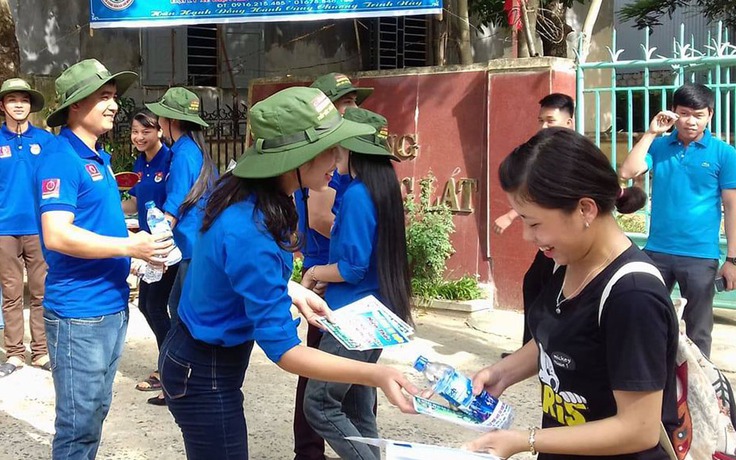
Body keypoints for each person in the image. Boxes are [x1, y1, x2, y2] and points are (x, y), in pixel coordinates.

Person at [158, 87, 417, 460]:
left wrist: (292, 289)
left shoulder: (253, 197)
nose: (337, 158)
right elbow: (285, 352)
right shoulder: (251, 229)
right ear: (297, 157)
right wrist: (377, 374)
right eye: (329, 148)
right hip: (203, 370)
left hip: (204, 359)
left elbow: (234, 272)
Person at [464, 127, 678, 459]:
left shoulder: (633, 296)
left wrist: (525, 440)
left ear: (585, 210)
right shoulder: (566, 260)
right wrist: (502, 373)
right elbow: (561, 338)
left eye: (534, 224)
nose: (526, 236)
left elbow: (639, 428)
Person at [36, 59, 173, 460]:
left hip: (109, 306)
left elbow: (95, 224)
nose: (114, 106)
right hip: (80, 313)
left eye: (113, 97)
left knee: (94, 412)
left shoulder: (97, 158)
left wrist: (132, 247)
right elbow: (57, 234)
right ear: (76, 105)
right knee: (78, 425)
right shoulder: (62, 158)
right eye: (104, 97)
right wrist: (130, 248)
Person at [301, 108, 411, 460]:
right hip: (372, 310)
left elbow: (352, 268)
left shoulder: (358, 196)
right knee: (357, 409)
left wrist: (315, 274)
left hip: (355, 316)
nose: (333, 158)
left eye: (338, 150)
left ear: (353, 151)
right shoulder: (376, 190)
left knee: (319, 404)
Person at [619, 83, 736, 358]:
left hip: (700, 257)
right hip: (657, 252)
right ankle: (652, 384)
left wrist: (731, 260)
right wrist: (650, 133)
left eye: (699, 114)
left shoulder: (725, 154)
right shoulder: (659, 147)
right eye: (684, 113)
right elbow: (628, 170)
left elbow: (732, 207)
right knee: (645, 320)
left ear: (710, 114)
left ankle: (697, 394)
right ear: (673, 113)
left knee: (698, 332)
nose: (691, 121)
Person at [293, 72, 374, 460]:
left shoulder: (356, 185)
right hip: (334, 288)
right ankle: (309, 452)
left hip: (345, 291)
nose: (353, 109)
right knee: (331, 388)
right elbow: (318, 220)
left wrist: (319, 271)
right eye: (345, 103)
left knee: (334, 395)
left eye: (354, 102)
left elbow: (354, 262)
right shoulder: (330, 169)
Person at [145, 87, 217, 406]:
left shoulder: (183, 153)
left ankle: (180, 380)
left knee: (181, 313)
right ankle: (177, 378)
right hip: (197, 244)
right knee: (179, 310)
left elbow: (174, 207)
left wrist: (153, 247)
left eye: (161, 116)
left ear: (170, 120)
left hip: (189, 247)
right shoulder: (195, 150)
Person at [494, 93, 574, 355]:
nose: (543, 127)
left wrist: (510, 216)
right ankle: (530, 350)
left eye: (551, 121)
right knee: (533, 283)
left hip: (571, 242)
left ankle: (550, 350)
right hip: (550, 242)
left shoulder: (575, 155)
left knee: (559, 295)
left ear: (569, 122)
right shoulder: (546, 154)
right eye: (541, 121)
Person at [0, 78, 55, 377]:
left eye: (23, 99)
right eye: (11, 99)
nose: (18, 104)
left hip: (39, 227)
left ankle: (42, 351)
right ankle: (15, 353)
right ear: (2, 105)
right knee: (10, 293)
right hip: (4, 229)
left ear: (31, 105)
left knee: (41, 292)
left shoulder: (46, 141)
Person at [121, 109, 178, 397]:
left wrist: (163, 247)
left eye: (146, 130)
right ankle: (169, 366)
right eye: (135, 131)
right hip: (148, 248)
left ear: (159, 131)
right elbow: (132, 204)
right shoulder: (139, 163)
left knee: (155, 306)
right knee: (147, 305)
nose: (139, 136)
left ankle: (169, 371)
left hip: (167, 248)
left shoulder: (171, 161)